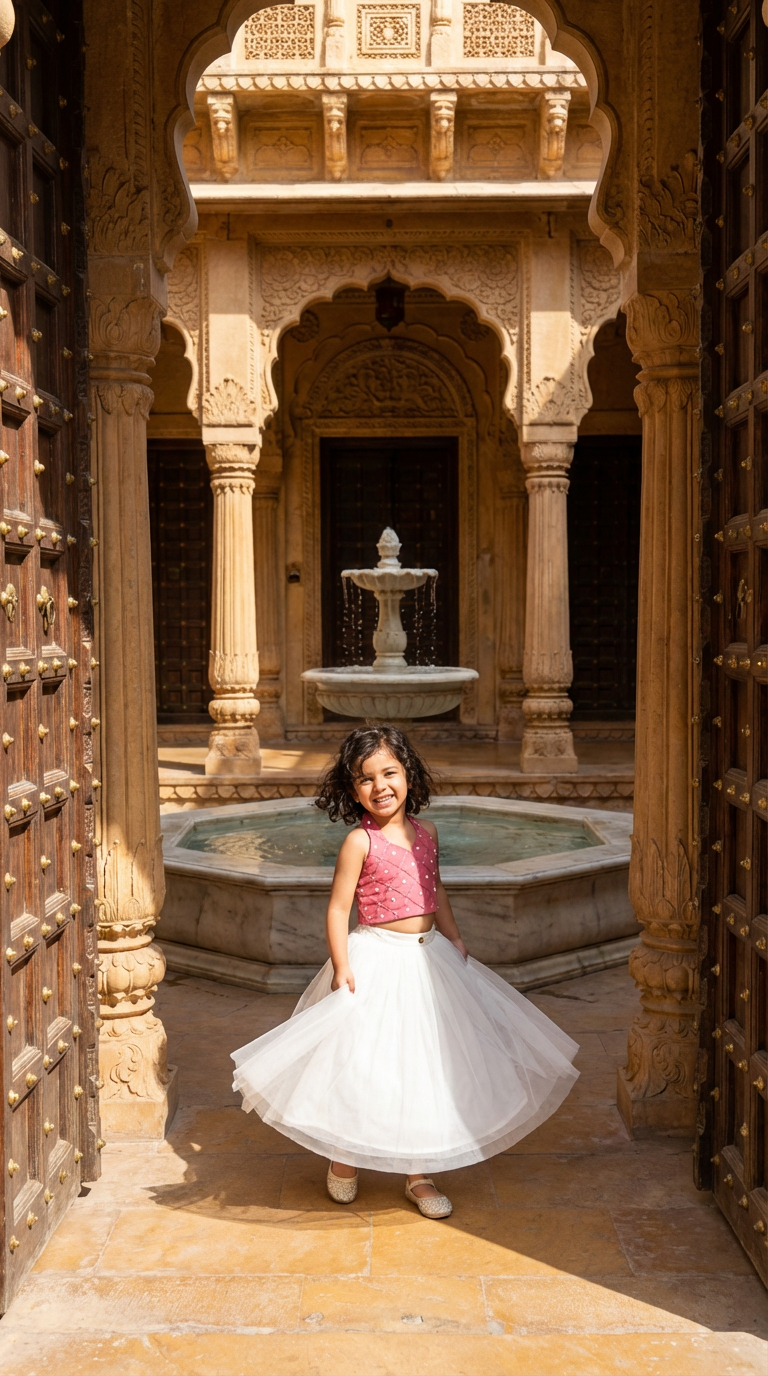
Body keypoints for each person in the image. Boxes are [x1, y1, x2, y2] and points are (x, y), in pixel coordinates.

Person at [231, 725, 579, 1218]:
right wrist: (342, 965)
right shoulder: (359, 842)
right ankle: (345, 1155)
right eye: (366, 778)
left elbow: (436, 889)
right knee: (363, 1064)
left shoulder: (427, 832)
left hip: (428, 959)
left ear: (408, 775)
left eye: (389, 773)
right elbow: (338, 909)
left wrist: (453, 935)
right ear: (353, 790)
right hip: (376, 959)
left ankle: (419, 1173)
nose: (380, 786)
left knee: (426, 1063)